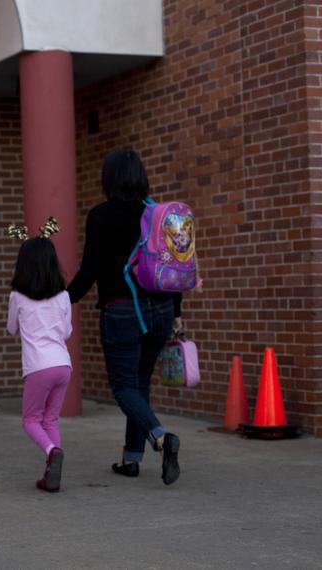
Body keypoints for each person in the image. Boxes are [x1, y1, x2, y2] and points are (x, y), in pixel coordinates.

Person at [66, 148, 182, 486]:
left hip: (122, 310)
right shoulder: (157, 214)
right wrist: (177, 312)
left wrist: (59, 301)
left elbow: (90, 271)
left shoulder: (101, 215)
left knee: (123, 387)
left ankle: (162, 437)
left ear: (109, 179)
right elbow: (171, 268)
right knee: (140, 385)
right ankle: (131, 459)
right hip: (160, 310)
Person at [6, 230, 73, 493]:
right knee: (51, 420)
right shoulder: (63, 295)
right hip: (63, 365)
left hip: (38, 367)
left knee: (31, 420)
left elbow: (12, 328)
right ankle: (51, 473)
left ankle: (52, 451)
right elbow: (67, 332)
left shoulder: (17, 296)